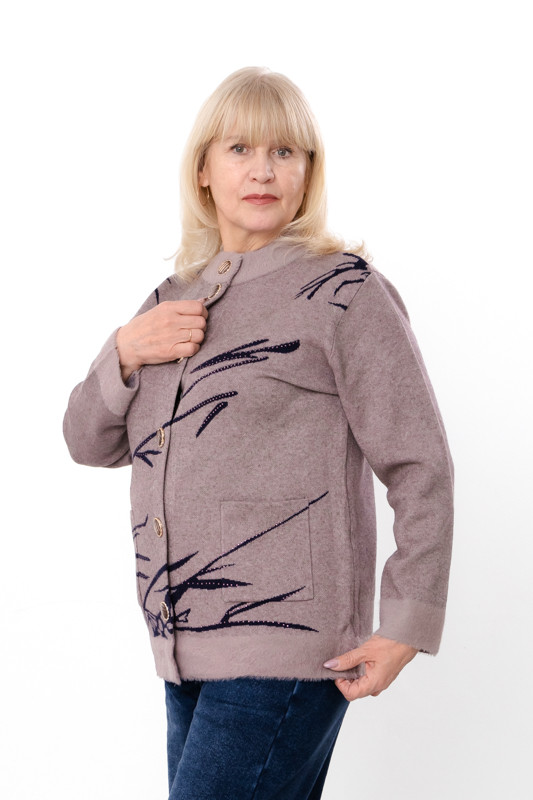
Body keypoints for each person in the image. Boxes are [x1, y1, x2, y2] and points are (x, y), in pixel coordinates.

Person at [63, 67, 454, 800]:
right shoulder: (170, 300)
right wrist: (123, 352)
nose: (263, 170)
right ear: (203, 170)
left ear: (309, 171)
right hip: (184, 646)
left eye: (285, 152)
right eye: (240, 148)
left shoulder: (342, 291)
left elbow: (420, 462)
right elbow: (89, 443)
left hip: (285, 642)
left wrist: (408, 619)